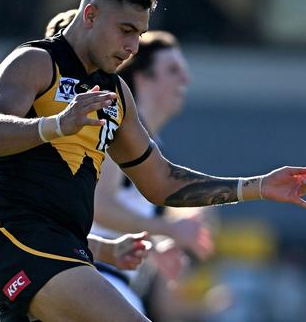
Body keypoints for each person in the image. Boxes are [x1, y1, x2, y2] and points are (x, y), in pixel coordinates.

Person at [0, 0, 306, 321]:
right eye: (125, 30)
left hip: (70, 251)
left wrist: (258, 186)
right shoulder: (36, 62)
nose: (132, 46)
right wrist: (55, 126)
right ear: (90, 15)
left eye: (139, 34)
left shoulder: (116, 93)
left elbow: (162, 182)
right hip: (23, 245)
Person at [0, 8, 151, 322]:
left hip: (39, 261)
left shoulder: (88, 125)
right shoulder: (37, 105)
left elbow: (49, 225)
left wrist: (107, 251)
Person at [90, 30, 216, 318]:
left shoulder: (146, 139)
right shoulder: (122, 129)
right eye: (173, 70)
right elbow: (98, 207)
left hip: (104, 281)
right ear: (143, 77)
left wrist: (156, 246)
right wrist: (170, 230)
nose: (185, 80)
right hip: (94, 278)